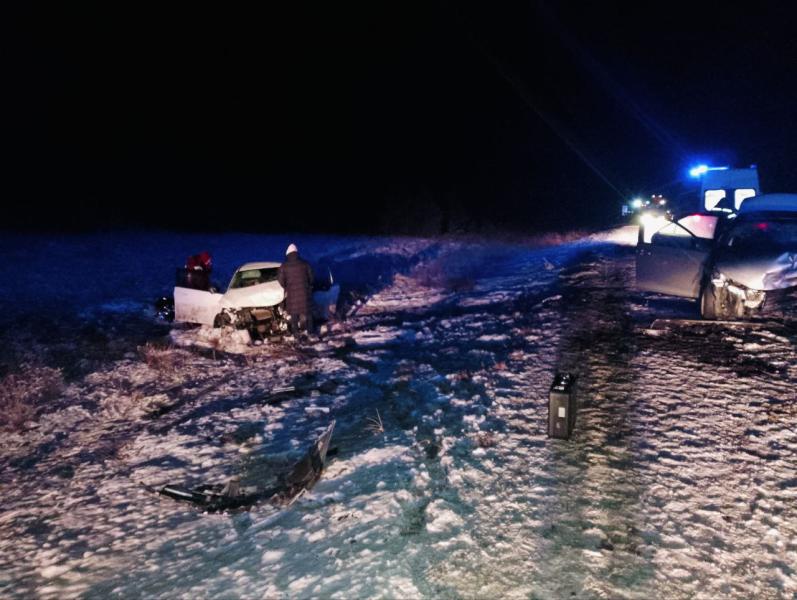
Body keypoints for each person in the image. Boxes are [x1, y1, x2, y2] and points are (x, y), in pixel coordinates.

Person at [278, 243, 314, 338]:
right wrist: (308, 286)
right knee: (308, 313)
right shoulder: (305, 263)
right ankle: (311, 332)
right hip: (305, 293)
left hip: (292, 295)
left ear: (288, 253)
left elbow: (280, 280)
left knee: (294, 315)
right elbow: (311, 278)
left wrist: (287, 286)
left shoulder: (284, 266)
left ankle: (296, 334)